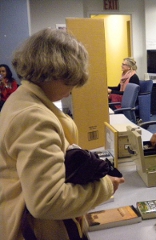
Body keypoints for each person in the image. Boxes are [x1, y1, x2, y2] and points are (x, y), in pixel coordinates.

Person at [0, 28, 125, 240]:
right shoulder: (34, 117)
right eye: (71, 81)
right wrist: (105, 187)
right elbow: (48, 201)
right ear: (57, 73)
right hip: (39, 230)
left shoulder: (21, 100)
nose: (73, 89)